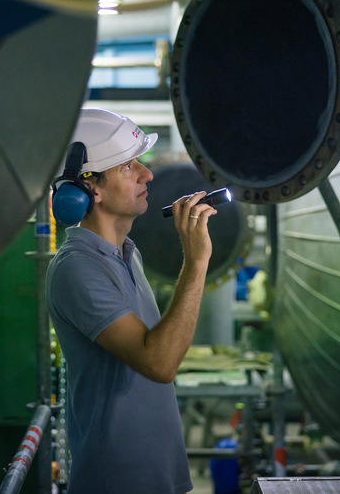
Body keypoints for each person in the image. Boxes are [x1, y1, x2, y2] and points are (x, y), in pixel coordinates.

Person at [46, 107, 217, 494]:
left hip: (156, 477)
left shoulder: (128, 254)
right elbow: (159, 362)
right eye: (127, 167)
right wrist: (196, 262)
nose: (147, 175)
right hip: (117, 481)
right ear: (90, 188)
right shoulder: (77, 268)